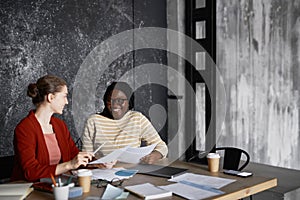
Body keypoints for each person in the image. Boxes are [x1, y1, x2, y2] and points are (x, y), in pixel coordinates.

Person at [11, 75, 113, 182]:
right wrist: (69, 165)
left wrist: (98, 163)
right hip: (30, 189)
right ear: (51, 97)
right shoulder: (25, 128)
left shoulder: (59, 125)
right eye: (64, 96)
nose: (67, 102)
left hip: (58, 185)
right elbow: (30, 172)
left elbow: (74, 157)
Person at [82, 81, 168, 164]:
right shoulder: (93, 121)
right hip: (103, 173)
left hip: (133, 173)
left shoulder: (137, 119)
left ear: (129, 102)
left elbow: (162, 146)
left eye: (120, 101)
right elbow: (85, 158)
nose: (115, 105)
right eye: (110, 100)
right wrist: (97, 164)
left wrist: (155, 155)